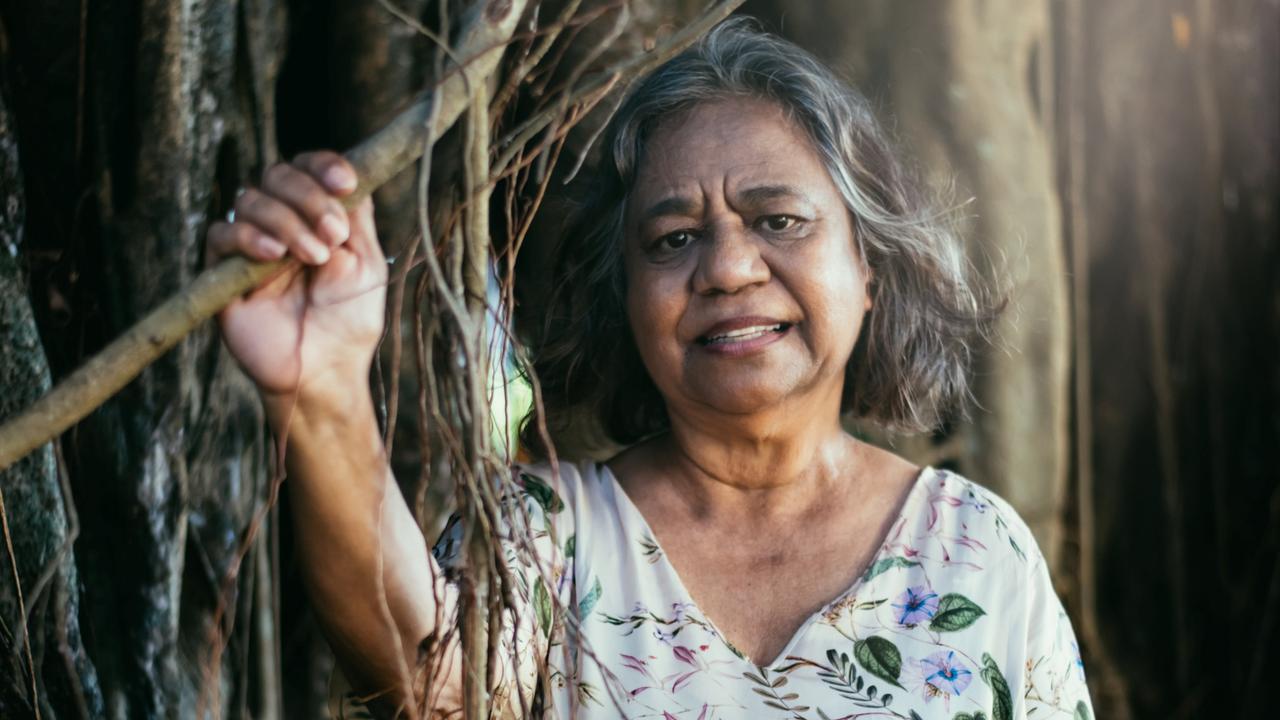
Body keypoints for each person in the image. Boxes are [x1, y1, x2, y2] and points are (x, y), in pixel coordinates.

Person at [206, 20, 1094, 719]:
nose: (727, 268)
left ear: (868, 267)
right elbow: (431, 683)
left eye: (779, 219)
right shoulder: (547, 538)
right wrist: (321, 396)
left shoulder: (979, 554)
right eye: (673, 239)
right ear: (627, 304)